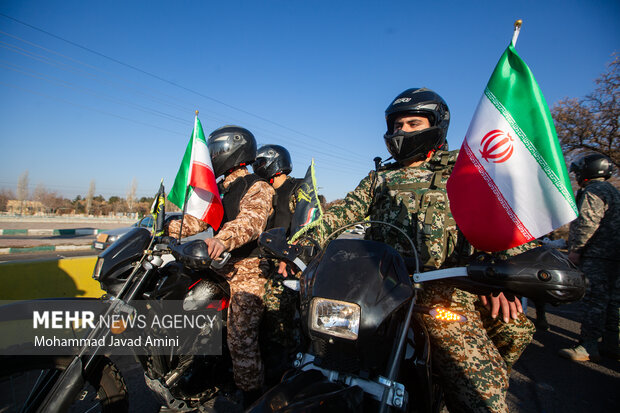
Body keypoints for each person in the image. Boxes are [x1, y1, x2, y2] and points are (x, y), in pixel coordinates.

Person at [293, 88, 535, 412]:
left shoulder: (463, 173)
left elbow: (501, 223)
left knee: (480, 394)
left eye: (412, 123)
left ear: (436, 126)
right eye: (397, 126)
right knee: (321, 348)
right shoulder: (380, 177)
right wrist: (302, 242)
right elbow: (342, 213)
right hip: (382, 289)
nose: (402, 131)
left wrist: (503, 271)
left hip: (444, 293)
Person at [171, 125, 275, 404]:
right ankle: (197, 368)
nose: (212, 155)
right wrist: (163, 228)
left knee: (241, 336)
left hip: (248, 269)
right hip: (218, 267)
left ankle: (253, 396)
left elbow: (251, 222)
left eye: (214, 150)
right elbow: (195, 221)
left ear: (232, 150)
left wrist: (221, 240)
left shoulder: (258, 186)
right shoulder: (216, 189)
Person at [558, 152, 620, 362]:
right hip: (614, 257)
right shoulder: (613, 192)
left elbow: (587, 223)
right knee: (613, 301)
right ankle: (612, 344)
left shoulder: (593, 191)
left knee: (595, 300)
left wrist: (576, 250)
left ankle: (588, 345)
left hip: (597, 257)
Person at [252, 144, 303, 383]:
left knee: (280, 318)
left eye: (260, 163)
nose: (257, 168)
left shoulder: (297, 190)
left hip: (290, 264)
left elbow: (306, 226)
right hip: (266, 261)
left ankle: (287, 370)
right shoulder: (264, 192)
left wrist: (290, 257)